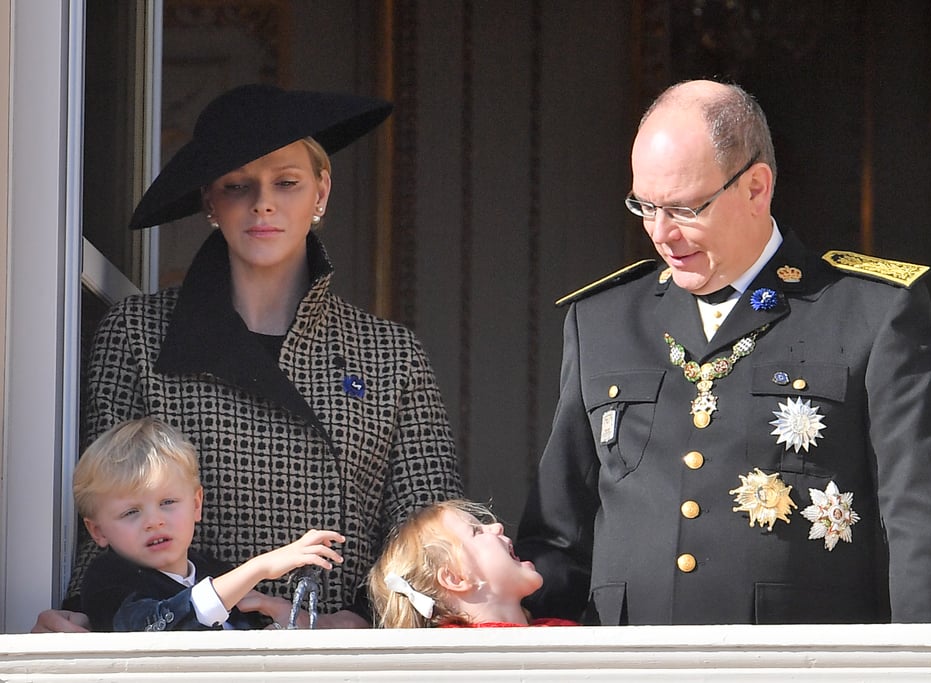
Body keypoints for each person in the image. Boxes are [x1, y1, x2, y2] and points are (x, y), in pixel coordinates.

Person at [516, 79, 931, 625]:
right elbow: (558, 532)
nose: (660, 233)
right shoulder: (602, 321)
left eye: (685, 209)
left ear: (756, 187)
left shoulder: (869, 313)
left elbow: (922, 527)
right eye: (644, 206)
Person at [33, 83, 463, 632]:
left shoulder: (391, 355)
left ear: (321, 191)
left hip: (340, 657)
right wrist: (84, 620)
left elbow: (430, 538)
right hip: (186, 657)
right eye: (238, 185)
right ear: (210, 201)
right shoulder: (139, 335)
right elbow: (107, 510)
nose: (263, 202)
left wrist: (362, 619)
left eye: (287, 182)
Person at [75, 417, 344, 631]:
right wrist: (258, 568)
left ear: (196, 504)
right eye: (131, 512)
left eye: (167, 502)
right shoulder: (109, 580)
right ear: (97, 531)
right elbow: (158, 627)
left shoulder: (213, 571)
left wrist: (271, 614)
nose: (154, 521)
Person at [367, 499, 577, 628]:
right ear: (455, 578)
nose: (497, 527)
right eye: (476, 531)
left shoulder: (566, 636)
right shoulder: (448, 660)